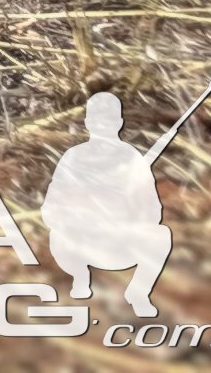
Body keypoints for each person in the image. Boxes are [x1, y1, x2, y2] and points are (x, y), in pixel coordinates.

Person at [44, 92, 174, 318]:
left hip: (121, 243)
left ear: (119, 123)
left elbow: (153, 211)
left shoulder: (132, 158)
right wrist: (80, 217)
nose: (103, 126)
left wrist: (126, 213)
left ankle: (138, 292)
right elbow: (51, 208)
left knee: (161, 235)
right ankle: (81, 277)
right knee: (57, 235)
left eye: (109, 121)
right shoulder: (73, 157)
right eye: (98, 121)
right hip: (82, 243)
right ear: (87, 124)